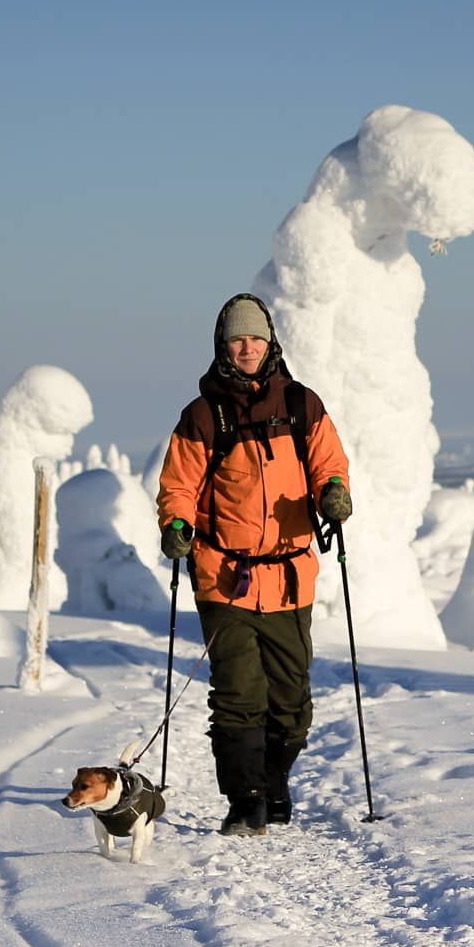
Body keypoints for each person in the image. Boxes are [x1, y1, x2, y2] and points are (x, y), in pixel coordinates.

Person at [156, 292, 354, 836]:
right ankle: (245, 803)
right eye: (237, 340)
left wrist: (334, 493)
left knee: (291, 706)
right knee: (239, 697)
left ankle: (272, 782)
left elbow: (328, 464)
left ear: (270, 344)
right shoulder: (202, 415)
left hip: (290, 577)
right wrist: (176, 524)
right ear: (223, 347)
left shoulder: (300, 404)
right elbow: (178, 485)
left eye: (255, 339)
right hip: (224, 577)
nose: (246, 348)